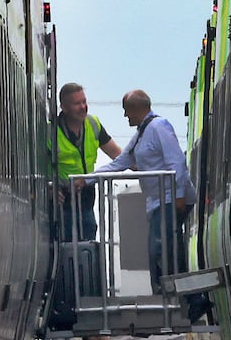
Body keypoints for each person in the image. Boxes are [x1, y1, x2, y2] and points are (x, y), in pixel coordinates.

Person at [97, 89, 197, 294]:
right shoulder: (141, 134)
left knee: (161, 249)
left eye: (127, 111)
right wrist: (87, 180)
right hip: (159, 201)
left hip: (169, 198)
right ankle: (173, 296)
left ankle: (182, 298)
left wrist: (179, 195)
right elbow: (121, 162)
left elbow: (176, 161)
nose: (125, 116)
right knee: (162, 250)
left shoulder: (159, 127)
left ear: (136, 108)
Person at [55, 82, 122, 242]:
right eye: (77, 103)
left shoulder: (93, 124)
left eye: (84, 102)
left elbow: (118, 155)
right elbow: (38, 165)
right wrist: (49, 188)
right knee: (65, 245)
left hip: (86, 199)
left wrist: (141, 165)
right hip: (61, 202)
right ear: (64, 108)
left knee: (89, 240)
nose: (83, 107)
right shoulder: (51, 129)